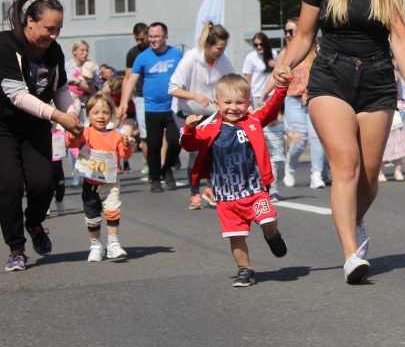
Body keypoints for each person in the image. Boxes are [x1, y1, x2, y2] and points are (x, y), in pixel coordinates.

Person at [272, 0, 405, 283]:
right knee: (346, 165)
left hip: (377, 80)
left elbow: (401, 40)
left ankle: (353, 224)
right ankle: (350, 255)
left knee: (369, 177)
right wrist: (285, 62)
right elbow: (305, 36)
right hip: (330, 78)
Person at [0, 0, 83, 271]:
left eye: (59, 29)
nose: (54, 34)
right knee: (10, 185)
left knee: (43, 183)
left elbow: (59, 88)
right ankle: (16, 248)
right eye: (49, 28)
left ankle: (34, 222)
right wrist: (58, 116)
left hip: (33, 123)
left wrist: (71, 116)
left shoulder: (54, 50)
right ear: (30, 22)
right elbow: (18, 96)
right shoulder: (4, 46)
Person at [180, 74, 289, 287]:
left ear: (248, 102)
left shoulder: (253, 121)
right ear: (216, 103)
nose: (233, 107)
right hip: (226, 196)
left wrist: (281, 87)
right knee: (236, 237)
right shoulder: (208, 127)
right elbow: (190, 145)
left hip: (255, 189)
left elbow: (272, 107)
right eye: (227, 102)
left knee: (267, 219)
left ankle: (272, 235)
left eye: (240, 102)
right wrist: (189, 129)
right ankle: (244, 270)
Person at [169, 21, 235, 208]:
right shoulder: (190, 60)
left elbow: (234, 81)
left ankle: (209, 188)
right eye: (219, 48)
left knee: (215, 150)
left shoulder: (223, 61)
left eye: (224, 48)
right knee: (196, 152)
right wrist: (194, 96)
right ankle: (194, 194)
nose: (221, 52)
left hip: (211, 115)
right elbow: (173, 88)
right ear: (207, 45)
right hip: (187, 113)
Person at [260, 19, 328, 190]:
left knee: (316, 137)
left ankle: (316, 174)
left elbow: (324, 73)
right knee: (299, 138)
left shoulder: (315, 49)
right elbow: (276, 74)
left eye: (292, 31)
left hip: (313, 98)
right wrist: (263, 95)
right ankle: (290, 168)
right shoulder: (286, 52)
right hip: (293, 100)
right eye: (287, 32)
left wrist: (310, 91)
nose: (288, 35)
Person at [68, 94, 133, 261]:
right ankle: (96, 245)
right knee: (92, 217)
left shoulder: (116, 135)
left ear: (111, 114)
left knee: (112, 211)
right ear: (88, 115)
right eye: (95, 112)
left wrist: (126, 145)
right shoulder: (86, 132)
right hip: (90, 183)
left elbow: (125, 155)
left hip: (110, 182)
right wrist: (73, 133)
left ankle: (113, 243)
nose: (101, 116)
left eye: (105, 112)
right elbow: (72, 144)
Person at [119, 22, 183, 193]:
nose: (153, 40)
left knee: (176, 140)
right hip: (152, 108)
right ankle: (155, 178)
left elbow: (188, 75)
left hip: (173, 107)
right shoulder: (143, 57)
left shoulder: (177, 54)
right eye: (151, 36)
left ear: (166, 37)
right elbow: (131, 80)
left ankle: (167, 168)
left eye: (157, 36)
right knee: (153, 145)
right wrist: (124, 101)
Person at [244, 32, 284, 201]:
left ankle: (277, 157)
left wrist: (276, 64)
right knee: (262, 135)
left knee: (277, 127)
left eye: (261, 44)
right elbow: (247, 80)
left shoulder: (274, 54)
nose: (259, 48)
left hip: (273, 96)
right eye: (256, 45)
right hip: (257, 98)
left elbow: (279, 70)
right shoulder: (250, 58)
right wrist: (248, 104)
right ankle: (264, 175)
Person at [125, 23, 150, 173]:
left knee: (164, 134)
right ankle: (151, 165)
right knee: (145, 133)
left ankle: (163, 161)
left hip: (161, 97)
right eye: (137, 40)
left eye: (142, 39)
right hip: (141, 96)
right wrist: (124, 101)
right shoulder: (133, 53)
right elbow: (128, 78)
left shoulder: (155, 50)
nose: (140, 42)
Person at [379, 62, 405, 182]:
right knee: (382, 153)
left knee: (399, 153)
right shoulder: (382, 104)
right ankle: (380, 173)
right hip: (385, 131)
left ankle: (398, 171)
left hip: (397, 131)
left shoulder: (399, 103)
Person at [105, 77, 135, 173]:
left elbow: (131, 96)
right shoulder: (109, 91)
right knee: (115, 139)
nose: (114, 92)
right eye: (112, 90)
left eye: (116, 90)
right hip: (115, 114)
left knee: (126, 137)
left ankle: (126, 161)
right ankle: (117, 163)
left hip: (128, 112)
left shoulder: (127, 90)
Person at [48, 121, 67, 217]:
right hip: (46, 163)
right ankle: (46, 206)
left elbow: (70, 144)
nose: (51, 122)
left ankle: (59, 202)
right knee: (48, 187)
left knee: (60, 186)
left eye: (52, 119)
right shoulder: (41, 134)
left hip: (58, 164)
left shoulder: (60, 133)